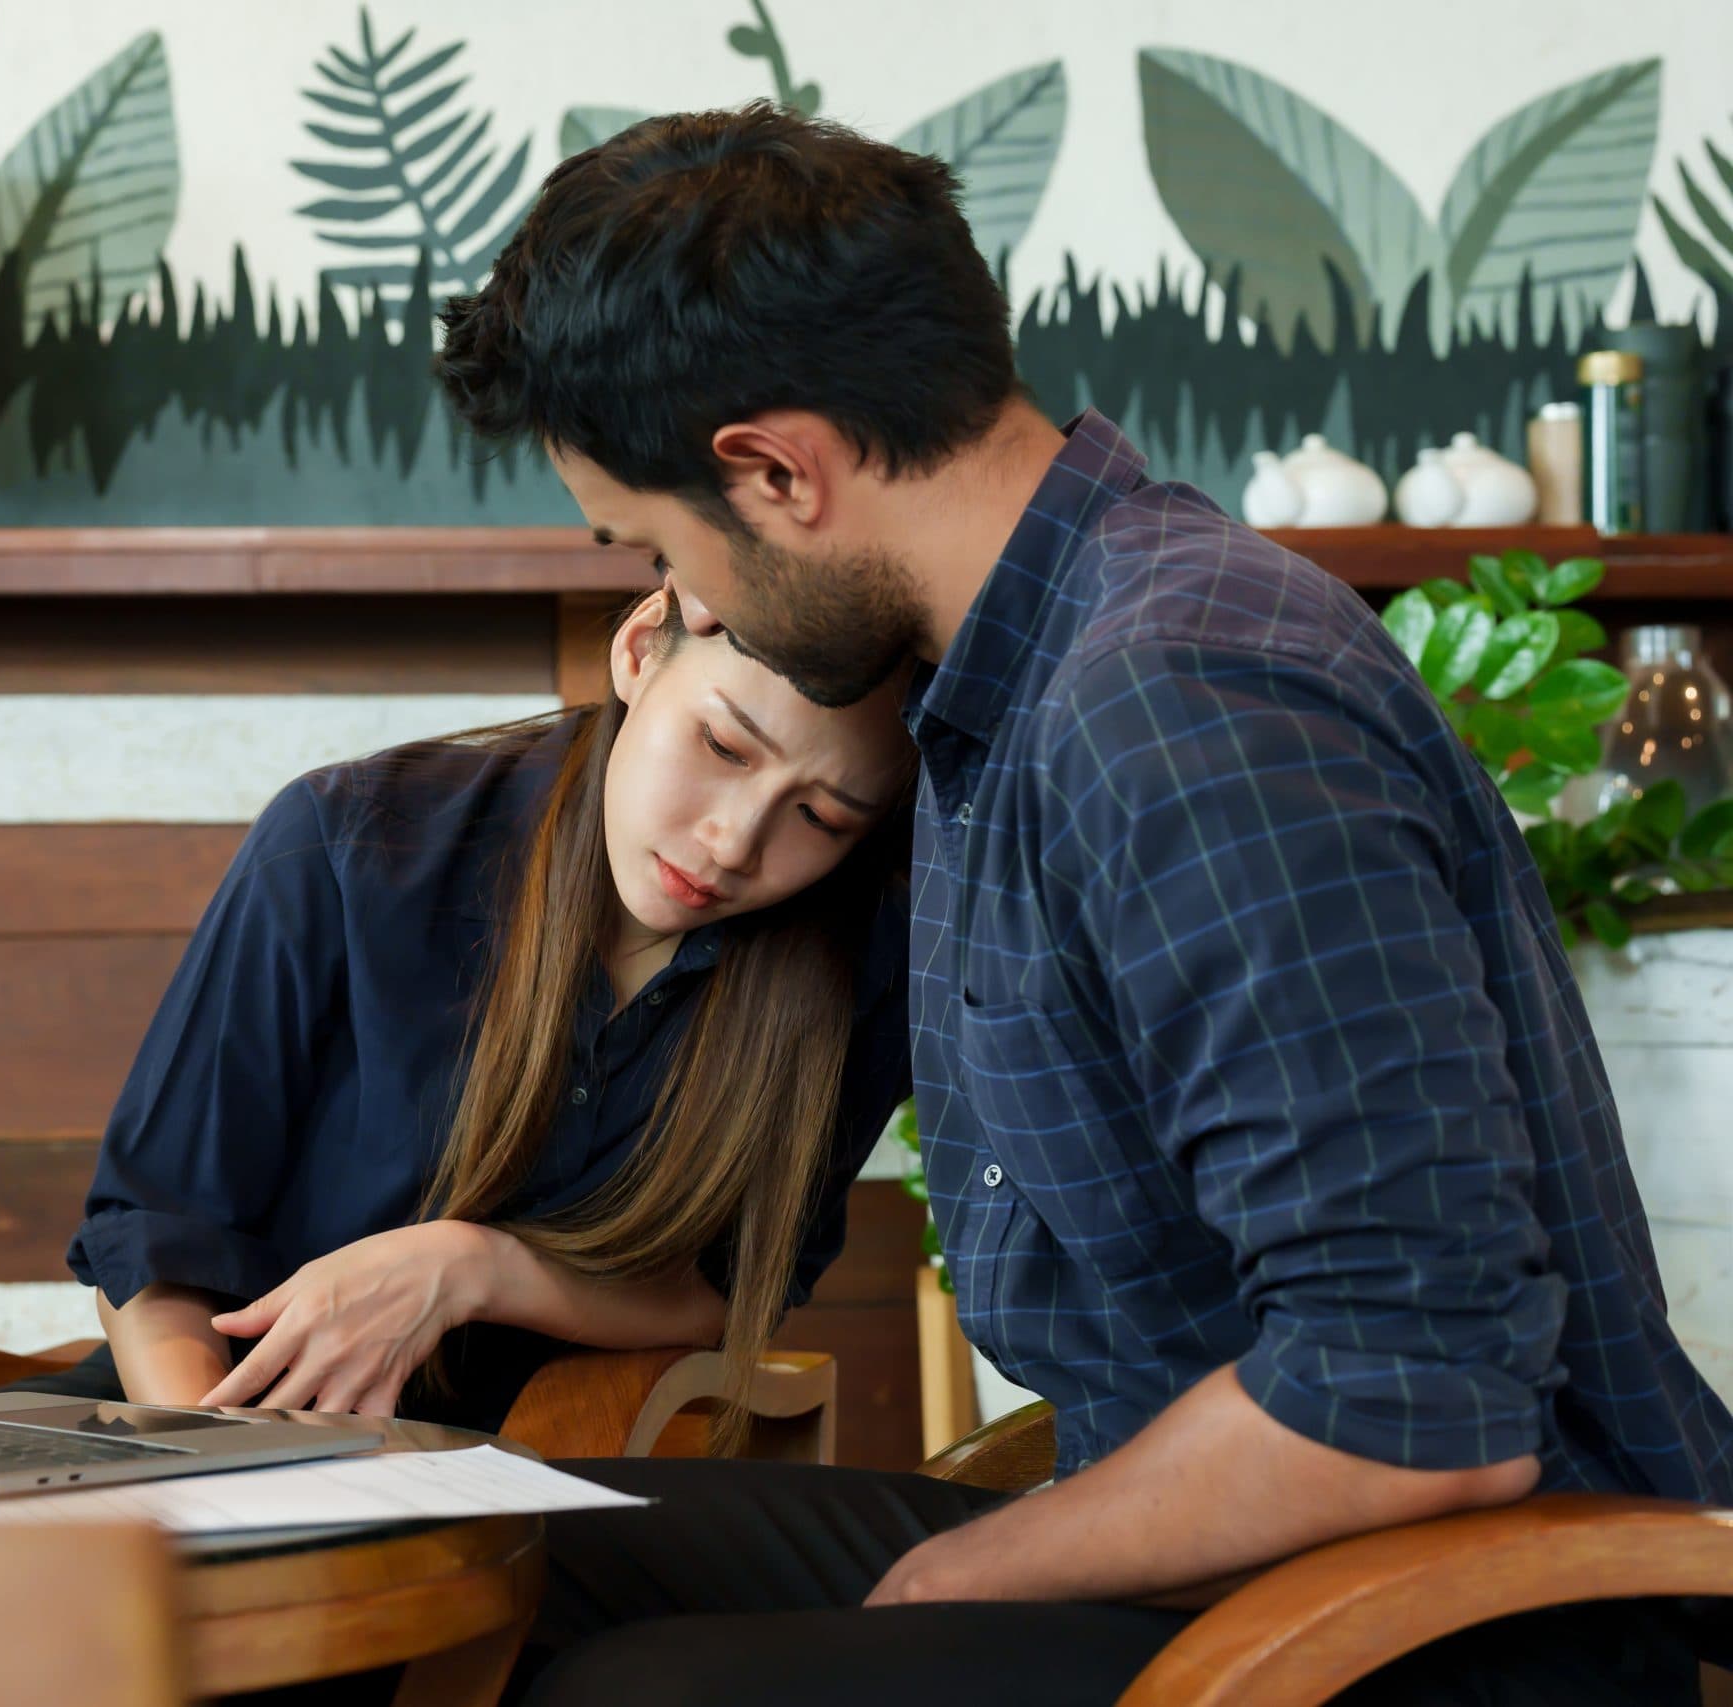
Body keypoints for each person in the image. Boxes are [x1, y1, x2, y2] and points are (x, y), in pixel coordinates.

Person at [434, 103, 1733, 1705]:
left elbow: (1414, 1394)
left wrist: (970, 1564)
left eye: (662, 545)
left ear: (776, 469)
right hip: (1217, 1536)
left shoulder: (1181, 700)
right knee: (490, 1554)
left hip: (1440, 1620)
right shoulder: (1013, 678)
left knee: (645, 1692)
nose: (689, 606)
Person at [27, 588, 913, 1438]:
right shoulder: (350, 841)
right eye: (723, 746)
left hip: (544, 1471)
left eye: (819, 815)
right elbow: (156, 1235)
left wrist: (475, 1268)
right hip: (217, 1427)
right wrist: (229, 1477)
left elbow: (735, 1287)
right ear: (642, 649)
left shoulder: (859, 965)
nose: (733, 841)